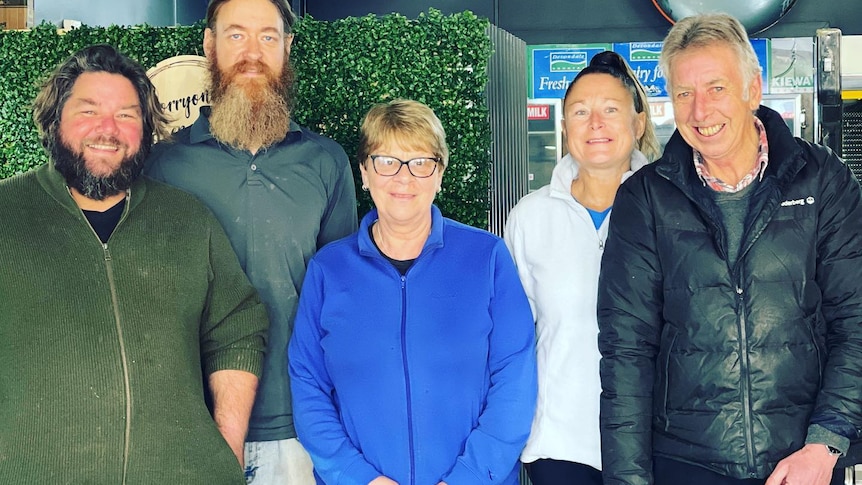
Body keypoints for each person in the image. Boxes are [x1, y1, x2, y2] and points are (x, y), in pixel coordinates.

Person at [597, 12, 862, 485]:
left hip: (802, 462)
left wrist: (825, 444)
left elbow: (856, 319)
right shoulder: (645, 199)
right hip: (685, 462)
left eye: (716, 88)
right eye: (684, 93)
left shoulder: (823, 180)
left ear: (753, 90)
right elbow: (626, 353)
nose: (701, 111)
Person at [0, 44, 268, 483]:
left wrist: (228, 445)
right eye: (89, 111)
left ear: (146, 130)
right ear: (54, 119)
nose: (108, 129)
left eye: (127, 115)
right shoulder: (7, 214)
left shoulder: (186, 219)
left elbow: (238, 326)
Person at [145, 0, 358, 482]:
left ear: (287, 47)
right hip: (192, 424)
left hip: (301, 425)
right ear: (209, 45)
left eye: (268, 36)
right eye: (236, 35)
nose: (252, 53)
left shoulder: (325, 163)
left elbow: (343, 300)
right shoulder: (164, 167)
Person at [288, 99, 538, 484]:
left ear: (440, 174)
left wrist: (468, 477)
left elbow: (515, 377)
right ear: (364, 172)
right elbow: (308, 383)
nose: (403, 178)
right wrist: (357, 477)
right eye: (387, 161)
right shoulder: (328, 270)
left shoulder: (487, 258)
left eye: (420, 162)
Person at [504, 51, 659, 485]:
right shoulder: (531, 218)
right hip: (559, 447)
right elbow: (513, 341)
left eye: (611, 110)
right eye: (580, 111)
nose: (596, 123)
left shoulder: (670, 209)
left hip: (657, 443)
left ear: (638, 123)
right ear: (564, 127)